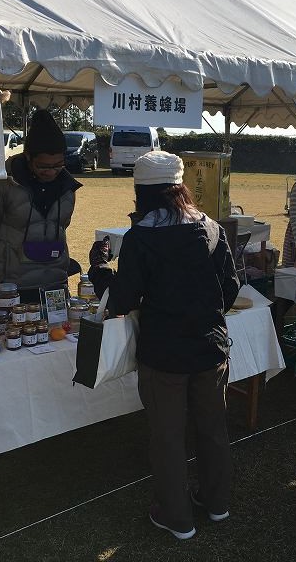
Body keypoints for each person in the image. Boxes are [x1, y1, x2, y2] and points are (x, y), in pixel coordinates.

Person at [110, 151, 239, 541]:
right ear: (181, 188)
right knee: (212, 429)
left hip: (163, 355)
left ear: (142, 193)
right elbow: (231, 287)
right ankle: (217, 503)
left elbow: (123, 301)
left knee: (167, 437)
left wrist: (102, 274)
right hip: (210, 349)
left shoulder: (140, 238)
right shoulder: (211, 228)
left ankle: (176, 516)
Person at [0, 110, 81, 297]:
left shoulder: (67, 188)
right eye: (43, 166)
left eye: (58, 165)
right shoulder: (0, 186)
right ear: (28, 157)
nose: (51, 172)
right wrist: (8, 259)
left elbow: (63, 226)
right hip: (14, 285)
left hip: (56, 280)